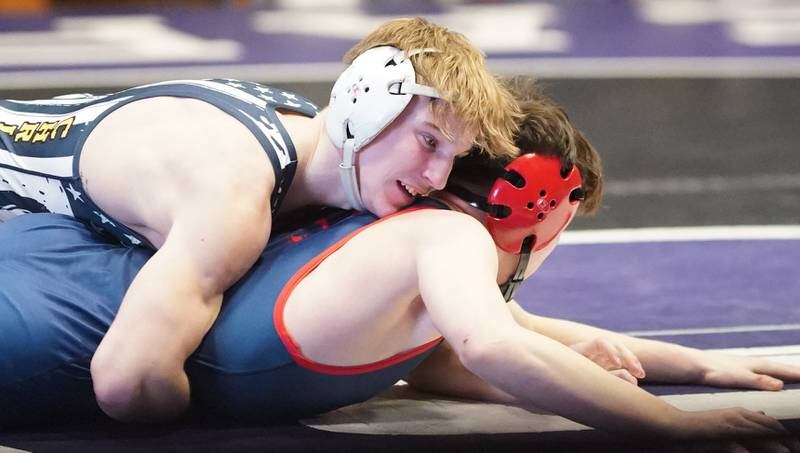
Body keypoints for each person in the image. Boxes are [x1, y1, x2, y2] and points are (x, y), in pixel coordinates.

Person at [1, 78, 798, 444]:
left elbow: (501, 338)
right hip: (50, 302)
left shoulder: (388, 232)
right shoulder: (445, 240)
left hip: (51, 278)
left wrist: (696, 365)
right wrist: (669, 427)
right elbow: (497, 347)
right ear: (535, 203)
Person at [0, 18, 520, 421]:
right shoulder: (231, 197)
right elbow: (127, 380)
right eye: (429, 141)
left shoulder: (295, 130)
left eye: (453, 157)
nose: (437, 177)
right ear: (365, 106)